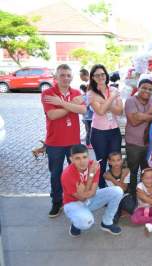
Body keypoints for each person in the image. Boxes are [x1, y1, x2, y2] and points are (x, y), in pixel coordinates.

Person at [41, 64, 86, 218]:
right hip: (54, 142)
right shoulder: (48, 93)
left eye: (68, 75)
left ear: (71, 77)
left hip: (73, 141)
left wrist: (62, 103)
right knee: (56, 174)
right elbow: (52, 115)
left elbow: (83, 110)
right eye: (62, 75)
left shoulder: (75, 92)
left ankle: (75, 198)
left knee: (76, 172)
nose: (66, 78)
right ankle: (56, 201)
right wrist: (72, 105)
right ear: (56, 77)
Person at [62, 144, 123, 237]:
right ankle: (76, 224)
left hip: (89, 198)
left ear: (88, 156)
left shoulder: (94, 165)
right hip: (72, 203)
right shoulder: (67, 175)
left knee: (118, 191)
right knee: (87, 222)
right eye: (77, 158)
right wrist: (91, 175)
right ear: (71, 159)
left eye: (84, 157)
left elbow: (93, 192)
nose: (82, 161)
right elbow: (82, 198)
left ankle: (107, 223)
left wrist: (84, 191)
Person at [88, 64, 123, 188]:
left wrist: (104, 102)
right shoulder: (91, 93)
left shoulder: (112, 90)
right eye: (97, 75)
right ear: (93, 77)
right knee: (101, 162)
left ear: (106, 75)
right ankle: (103, 188)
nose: (101, 77)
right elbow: (101, 112)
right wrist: (112, 98)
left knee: (115, 162)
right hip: (99, 133)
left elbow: (120, 111)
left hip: (114, 131)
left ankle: (117, 188)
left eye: (103, 74)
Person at [125, 79, 152, 197]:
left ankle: (147, 195)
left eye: (150, 89)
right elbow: (133, 121)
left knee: (147, 172)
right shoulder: (130, 101)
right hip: (133, 144)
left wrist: (140, 115)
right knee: (133, 172)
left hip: (148, 144)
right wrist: (149, 113)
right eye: (144, 88)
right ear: (138, 88)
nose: (147, 91)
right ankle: (132, 196)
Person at [104, 152, 136, 224]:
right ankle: (120, 209)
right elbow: (116, 191)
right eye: (113, 160)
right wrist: (113, 178)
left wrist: (120, 177)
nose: (116, 163)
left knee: (134, 210)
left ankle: (121, 208)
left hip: (124, 195)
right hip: (113, 198)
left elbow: (124, 189)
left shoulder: (126, 171)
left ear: (122, 160)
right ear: (109, 162)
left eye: (118, 160)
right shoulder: (107, 174)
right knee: (112, 220)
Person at [79, 68, 93, 149]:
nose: (80, 78)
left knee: (89, 130)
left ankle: (88, 142)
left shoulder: (90, 83)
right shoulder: (85, 95)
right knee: (89, 130)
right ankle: (88, 142)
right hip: (87, 116)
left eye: (81, 76)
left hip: (88, 116)